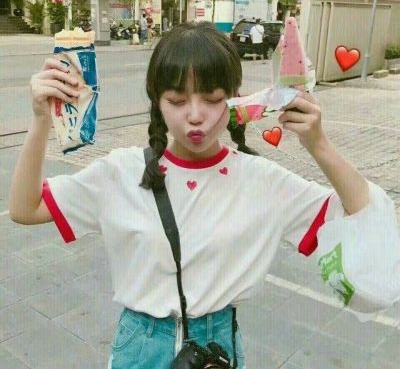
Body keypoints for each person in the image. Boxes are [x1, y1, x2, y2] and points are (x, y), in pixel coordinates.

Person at [8, 21, 400, 369]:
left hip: (217, 348)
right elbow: (26, 209)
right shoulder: (120, 172)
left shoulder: (262, 181)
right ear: (157, 101)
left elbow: (364, 214)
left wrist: (319, 144)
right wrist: (41, 121)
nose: (195, 115)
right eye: (177, 101)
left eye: (212, 99)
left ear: (234, 97)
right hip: (141, 347)